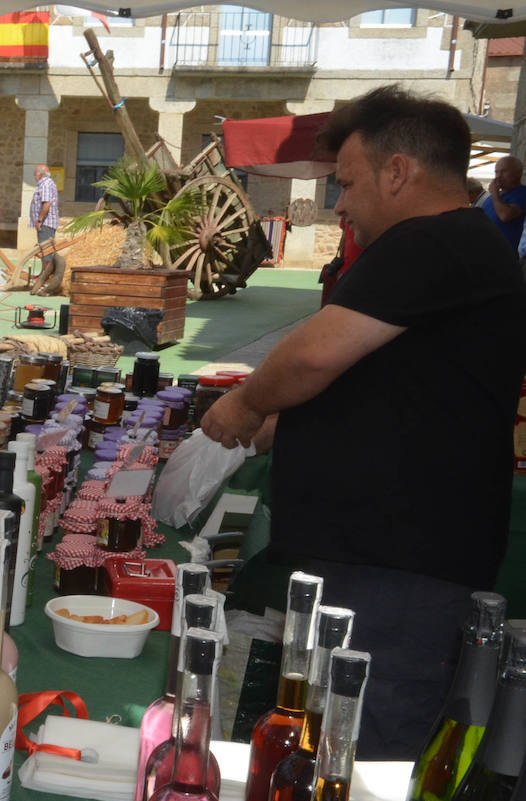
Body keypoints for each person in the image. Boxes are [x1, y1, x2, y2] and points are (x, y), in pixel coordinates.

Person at [201, 85, 526, 760]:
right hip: (383, 565)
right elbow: (393, 393)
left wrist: (247, 404)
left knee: (359, 770)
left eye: (346, 184)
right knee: (329, 757)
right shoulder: (455, 248)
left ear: (398, 171)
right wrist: (287, 428)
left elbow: (314, 352)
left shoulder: (431, 243)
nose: (341, 204)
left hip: (397, 576)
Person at [481, 155, 526, 251]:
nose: (498, 176)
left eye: (504, 171)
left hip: (506, 256)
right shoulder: (492, 197)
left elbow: (505, 215)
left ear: (518, 173)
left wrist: (494, 193)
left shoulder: (522, 193)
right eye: (496, 172)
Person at [29, 164, 59, 272]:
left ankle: (45, 276)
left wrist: (39, 220)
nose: (34, 176)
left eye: (35, 174)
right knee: (44, 250)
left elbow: (46, 204)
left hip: (45, 223)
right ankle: (43, 274)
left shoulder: (45, 184)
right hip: (45, 223)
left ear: (40, 174)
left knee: (46, 251)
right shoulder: (45, 184)